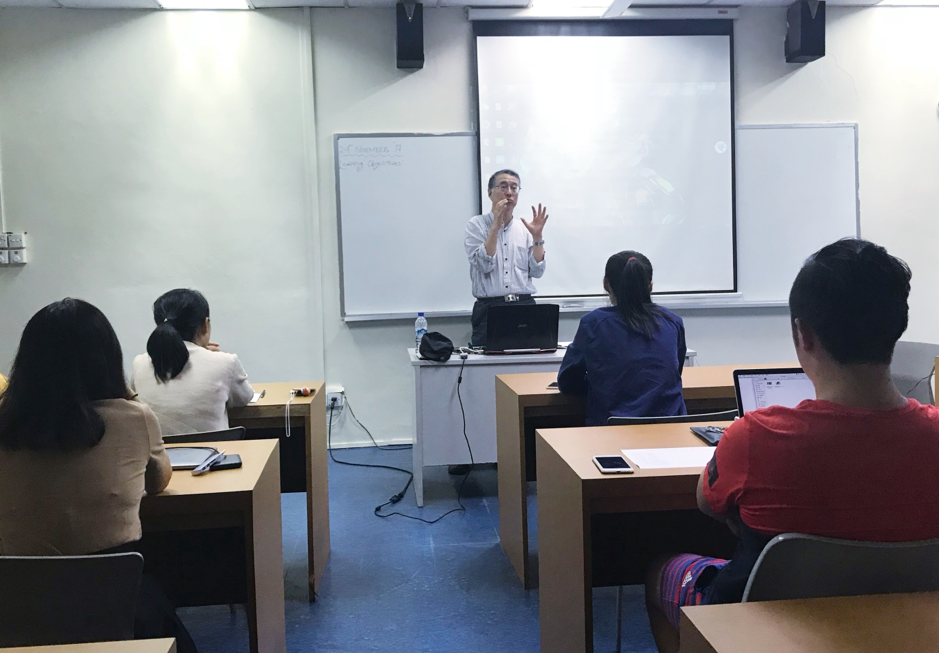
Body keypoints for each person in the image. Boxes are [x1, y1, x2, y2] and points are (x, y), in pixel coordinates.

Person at [644, 239, 939, 653]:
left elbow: (708, 504)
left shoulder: (754, 436)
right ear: (897, 326)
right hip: (908, 625)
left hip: (767, 629)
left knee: (661, 571)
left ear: (803, 333)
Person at [0, 298, 197, 652]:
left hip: (18, 609)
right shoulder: (134, 418)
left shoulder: (5, 424)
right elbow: (159, 481)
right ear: (107, 359)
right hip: (115, 605)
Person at [557, 251, 686, 425]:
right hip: (672, 430)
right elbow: (673, 373)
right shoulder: (673, 322)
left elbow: (568, 382)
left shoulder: (593, 324)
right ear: (650, 285)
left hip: (611, 431)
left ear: (606, 284)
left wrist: (598, 386)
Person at [132, 289, 253, 435]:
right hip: (213, 449)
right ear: (205, 325)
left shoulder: (139, 363)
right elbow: (244, 398)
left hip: (158, 450)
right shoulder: (226, 362)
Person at [464, 169, 550, 348]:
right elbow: (484, 265)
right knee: (487, 362)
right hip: (489, 309)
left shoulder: (525, 229)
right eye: (503, 187)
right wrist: (496, 225)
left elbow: (537, 271)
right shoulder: (476, 225)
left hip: (524, 306)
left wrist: (537, 237)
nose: (509, 192)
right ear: (490, 193)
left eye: (514, 187)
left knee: (527, 361)